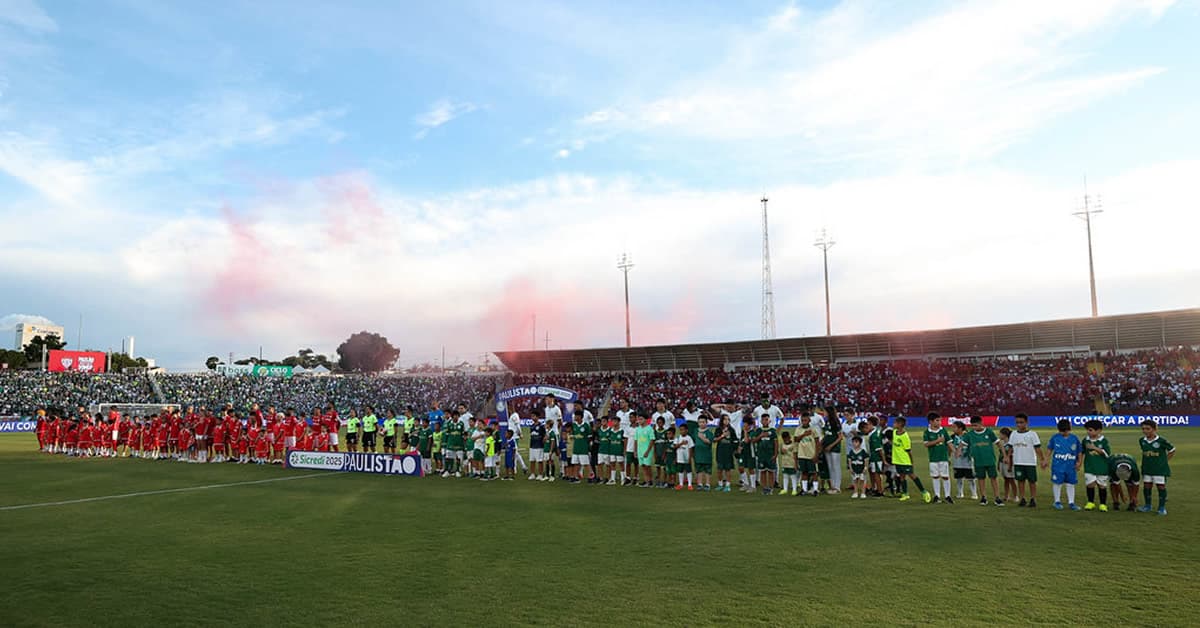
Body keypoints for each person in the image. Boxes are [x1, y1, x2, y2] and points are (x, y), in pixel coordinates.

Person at [1137, 419, 1175, 516]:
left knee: (1160, 487)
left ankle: (1162, 508)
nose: (1145, 431)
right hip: (1147, 468)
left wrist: (1165, 461)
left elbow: (1172, 450)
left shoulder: (1161, 441)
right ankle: (1147, 506)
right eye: (1143, 429)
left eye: (1148, 429)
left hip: (1159, 469)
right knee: (1147, 486)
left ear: (1154, 429)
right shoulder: (1142, 441)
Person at [1008, 413, 1045, 508]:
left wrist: (1042, 459)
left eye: (1021, 422)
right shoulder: (1013, 434)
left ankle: (1033, 499)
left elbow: (1037, 448)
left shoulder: (1032, 434)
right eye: (1017, 423)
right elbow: (1011, 448)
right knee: (1020, 481)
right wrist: (1008, 457)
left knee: (1032, 481)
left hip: (1030, 462)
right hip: (1018, 462)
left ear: (1026, 422)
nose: (1019, 425)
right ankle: (1022, 498)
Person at [890, 417, 931, 503]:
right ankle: (905, 494)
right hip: (897, 460)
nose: (893, 424)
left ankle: (924, 492)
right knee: (901, 476)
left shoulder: (905, 436)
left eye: (895, 423)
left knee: (912, 475)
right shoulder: (894, 432)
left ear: (900, 424)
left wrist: (911, 461)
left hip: (905, 460)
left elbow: (909, 451)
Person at [965, 416, 1003, 506]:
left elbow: (998, 443)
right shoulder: (970, 434)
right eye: (972, 426)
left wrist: (1004, 455)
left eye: (976, 425)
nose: (974, 427)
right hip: (978, 461)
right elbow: (963, 443)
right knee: (981, 479)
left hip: (990, 460)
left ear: (981, 423)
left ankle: (997, 497)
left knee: (993, 478)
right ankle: (983, 497)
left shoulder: (989, 432)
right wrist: (958, 451)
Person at [1046, 419, 1082, 511]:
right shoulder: (1055, 438)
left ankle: (1071, 502)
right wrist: (1046, 460)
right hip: (1058, 466)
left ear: (1069, 429)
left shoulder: (1074, 438)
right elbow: (1049, 449)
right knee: (1057, 483)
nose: (1064, 433)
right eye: (1062, 431)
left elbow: (1079, 452)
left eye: (1066, 431)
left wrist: (1079, 462)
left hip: (1070, 466)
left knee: (1071, 484)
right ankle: (1057, 501)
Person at [1081, 419, 1111, 511]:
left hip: (1102, 467)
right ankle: (1090, 502)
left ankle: (1103, 504)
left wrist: (1095, 448)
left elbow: (1107, 454)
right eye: (1087, 430)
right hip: (1089, 466)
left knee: (1102, 486)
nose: (1088, 432)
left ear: (1098, 431)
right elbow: (1082, 452)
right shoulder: (1085, 440)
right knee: (1090, 485)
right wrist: (1079, 462)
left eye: (1090, 430)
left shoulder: (1104, 441)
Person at [923, 412, 953, 504]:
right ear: (931, 421)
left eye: (940, 420)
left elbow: (949, 443)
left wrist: (953, 453)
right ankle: (937, 495)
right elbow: (926, 444)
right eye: (937, 420)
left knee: (945, 477)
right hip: (933, 458)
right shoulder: (927, 432)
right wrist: (937, 441)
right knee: (935, 477)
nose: (939, 422)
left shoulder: (943, 430)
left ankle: (948, 496)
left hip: (943, 457)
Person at [949, 420, 978, 500]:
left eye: (954, 427)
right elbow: (949, 448)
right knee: (958, 478)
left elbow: (973, 446)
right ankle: (960, 493)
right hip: (957, 461)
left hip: (967, 461)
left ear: (960, 428)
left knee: (971, 478)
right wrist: (949, 457)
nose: (953, 429)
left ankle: (974, 494)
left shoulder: (968, 436)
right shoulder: (952, 437)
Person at [793, 412, 819, 496]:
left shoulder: (813, 429)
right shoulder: (798, 429)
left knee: (814, 472)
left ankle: (815, 489)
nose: (804, 422)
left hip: (811, 454)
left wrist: (816, 454)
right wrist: (804, 434)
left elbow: (817, 442)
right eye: (802, 420)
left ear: (809, 420)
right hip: (802, 454)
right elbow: (796, 439)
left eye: (805, 420)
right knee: (804, 472)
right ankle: (804, 489)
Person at [713, 415, 737, 493]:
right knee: (719, 469)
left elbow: (735, 440)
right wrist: (722, 436)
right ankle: (720, 484)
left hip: (728, 452)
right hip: (720, 451)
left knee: (728, 469)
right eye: (725, 419)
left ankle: (727, 485)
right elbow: (715, 440)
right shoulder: (718, 429)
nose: (726, 421)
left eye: (728, 419)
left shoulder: (731, 430)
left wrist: (735, 449)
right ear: (722, 420)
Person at [693, 414, 714, 491]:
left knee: (707, 470)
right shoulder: (695, 431)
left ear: (706, 422)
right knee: (699, 469)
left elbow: (709, 441)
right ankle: (700, 483)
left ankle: (707, 484)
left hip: (706, 454)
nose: (701, 424)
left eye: (703, 422)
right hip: (698, 454)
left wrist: (702, 438)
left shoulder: (709, 432)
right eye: (700, 422)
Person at [570, 413, 593, 484]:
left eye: (576, 416)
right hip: (576, 448)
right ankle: (576, 478)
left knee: (586, 464)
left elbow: (589, 437)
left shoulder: (586, 425)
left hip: (583, 448)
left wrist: (586, 445)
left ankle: (591, 477)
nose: (575, 417)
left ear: (580, 416)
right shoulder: (574, 425)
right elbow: (573, 435)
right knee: (576, 463)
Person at [736, 417, 757, 493]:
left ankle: (753, 486)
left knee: (751, 469)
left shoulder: (752, 432)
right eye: (743, 423)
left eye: (745, 424)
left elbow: (747, 441)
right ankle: (746, 484)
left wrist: (745, 432)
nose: (744, 425)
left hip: (750, 453)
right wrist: (739, 448)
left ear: (749, 425)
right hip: (743, 454)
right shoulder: (743, 432)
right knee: (741, 468)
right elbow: (742, 442)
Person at [673, 424, 695, 491]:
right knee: (680, 470)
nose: (682, 431)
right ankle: (681, 484)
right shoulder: (678, 438)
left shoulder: (689, 438)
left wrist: (689, 457)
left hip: (686, 457)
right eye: (680, 430)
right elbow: (674, 447)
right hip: (680, 457)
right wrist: (681, 443)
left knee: (688, 470)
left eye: (683, 430)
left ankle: (690, 484)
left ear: (686, 430)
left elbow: (691, 448)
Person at [777, 431, 799, 496]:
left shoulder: (793, 445)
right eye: (784, 439)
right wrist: (782, 451)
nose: (785, 440)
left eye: (786, 438)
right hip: (784, 463)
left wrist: (796, 464)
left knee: (793, 476)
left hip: (791, 463)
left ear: (789, 437)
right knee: (785, 476)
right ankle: (785, 489)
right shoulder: (782, 445)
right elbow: (781, 452)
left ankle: (794, 489)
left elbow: (795, 455)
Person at [998, 427, 1017, 502]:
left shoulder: (1010, 444)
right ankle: (1006, 496)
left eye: (1000, 434)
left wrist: (1010, 466)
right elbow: (1000, 455)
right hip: (1002, 463)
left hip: (1009, 464)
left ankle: (1015, 496)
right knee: (1006, 480)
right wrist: (998, 465)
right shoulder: (1002, 443)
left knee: (1012, 480)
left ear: (1005, 435)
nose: (999, 435)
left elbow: (1011, 456)